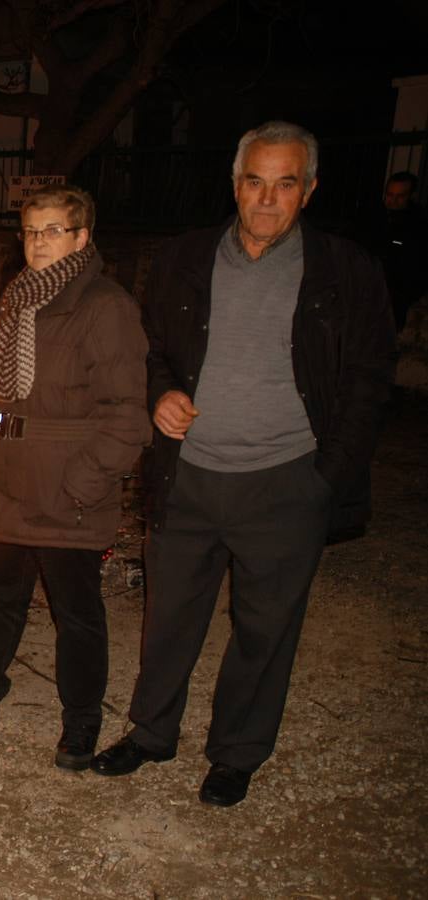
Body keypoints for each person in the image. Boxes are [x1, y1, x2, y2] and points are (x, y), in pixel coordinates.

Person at [91, 122, 397, 806]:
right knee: (168, 618)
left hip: (285, 481)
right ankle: (150, 733)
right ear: (234, 185)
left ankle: (236, 753)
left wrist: (326, 480)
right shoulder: (181, 259)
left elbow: (369, 378)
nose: (266, 198)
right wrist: (159, 394)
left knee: (263, 630)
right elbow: (154, 352)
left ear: (307, 190)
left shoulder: (344, 270)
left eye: (284, 183)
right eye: (254, 181)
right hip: (188, 477)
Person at [0, 185, 150, 771]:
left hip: (65, 486)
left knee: (76, 610)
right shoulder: (19, 302)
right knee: (1, 596)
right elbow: (0, 397)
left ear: (83, 237)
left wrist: (86, 481)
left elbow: (126, 413)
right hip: (7, 479)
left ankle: (81, 720)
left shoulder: (105, 307)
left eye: (54, 230)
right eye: (31, 231)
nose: (38, 242)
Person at [365, 171, 428, 333]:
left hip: (397, 291)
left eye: (399, 196)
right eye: (389, 194)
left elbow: (415, 266)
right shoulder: (375, 214)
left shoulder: (417, 224)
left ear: (410, 196)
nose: (392, 200)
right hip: (369, 283)